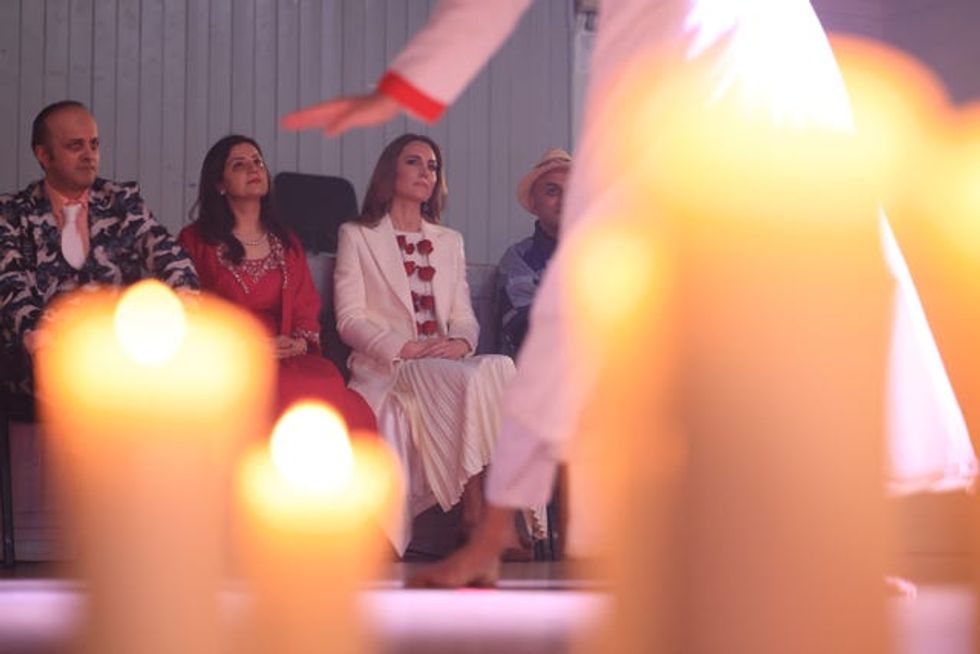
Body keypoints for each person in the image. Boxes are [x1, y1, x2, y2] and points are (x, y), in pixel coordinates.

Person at [283, 0, 977, 587]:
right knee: (783, 271)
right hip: (745, 40)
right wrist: (408, 86)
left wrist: (405, 86)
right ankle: (818, 542)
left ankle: (502, 529)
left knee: (775, 267)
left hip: (713, 43)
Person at [333, 133, 526, 555]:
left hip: (443, 360)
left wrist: (460, 342)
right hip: (393, 367)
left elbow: (463, 316)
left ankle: (486, 515)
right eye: (414, 162)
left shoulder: (449, 241)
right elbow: (350, 320)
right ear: (391, 171)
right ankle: (481, 518)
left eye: (433, 166)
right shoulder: (357, 235)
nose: (427, 172)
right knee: (472, 381)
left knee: (499, 368)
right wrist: (405, 347)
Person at [178, 135, 376, 433]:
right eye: (239, 164)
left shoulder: (286, 243)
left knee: (324, 380)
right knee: (278, 387)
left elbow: (305, 307)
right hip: (226, 355)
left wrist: (299, 340)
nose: (253, 168)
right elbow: (189, 312)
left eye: (257, 161)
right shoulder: (195, 241)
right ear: (220, 184)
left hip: (284, 352)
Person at [0, 100, 198, 394]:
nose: (89, 155)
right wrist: (42, 342)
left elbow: (172, 259)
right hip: (40, 383)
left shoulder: (122, 201)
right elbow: (10, 288)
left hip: (120, 377)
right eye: (74, 146)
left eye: (94, 145)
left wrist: (184, 311)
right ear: (43, 154)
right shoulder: (12, 212)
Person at [497, 148, 570, 358]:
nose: (564, 200)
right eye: (552, 191)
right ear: (534, 203)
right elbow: (529, 330)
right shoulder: (519, 259)